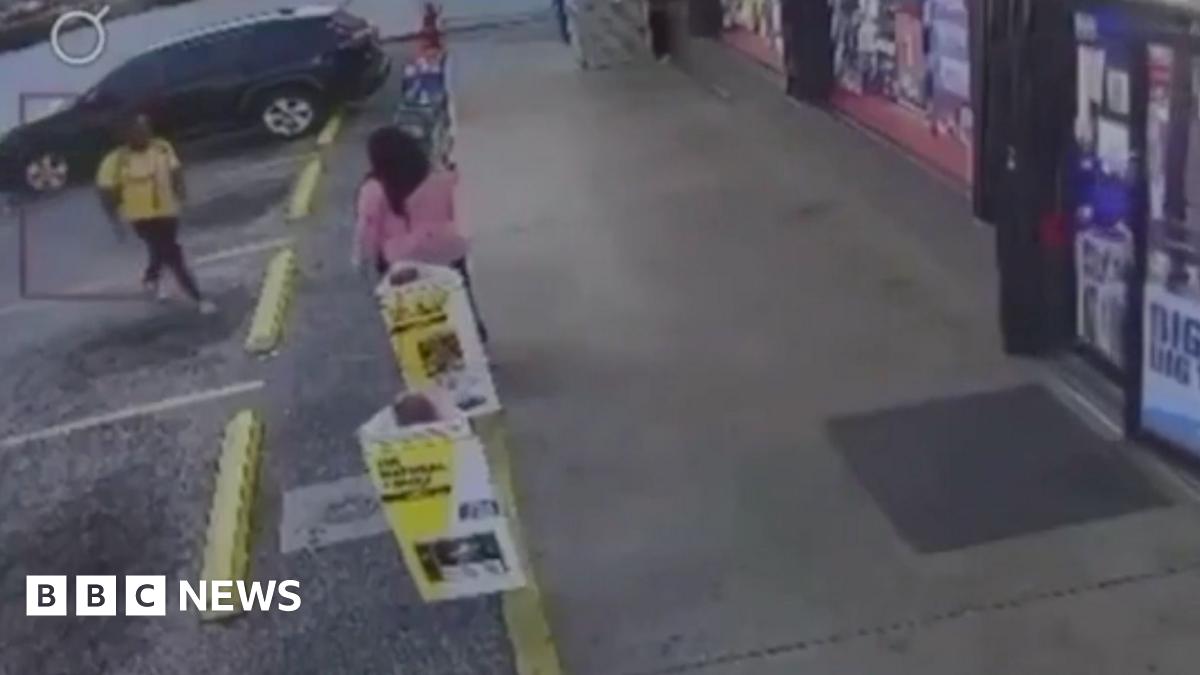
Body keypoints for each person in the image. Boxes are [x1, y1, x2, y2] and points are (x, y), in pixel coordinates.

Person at [353, 126, 488, 341]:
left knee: (413, 307)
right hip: (447, 250)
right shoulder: (442, 175)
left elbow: (368, 228)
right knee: (458, 293)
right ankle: (472, 334)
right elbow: (461, 213)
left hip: (402, 259)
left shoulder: (375, 188)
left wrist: (361, 260)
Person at [97, 113, 215, 314]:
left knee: (160, 250)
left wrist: (182, 197)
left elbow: (175, 172)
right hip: (140, 217)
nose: (145, 134)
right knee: (172, 253)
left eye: (146, 129)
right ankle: (198, 297)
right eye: (138, 131)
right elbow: (106, 193)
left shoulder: (162, 147)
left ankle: (151, 278)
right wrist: (114, 221)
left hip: (167, 210)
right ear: (126, 136)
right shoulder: (115, 161)